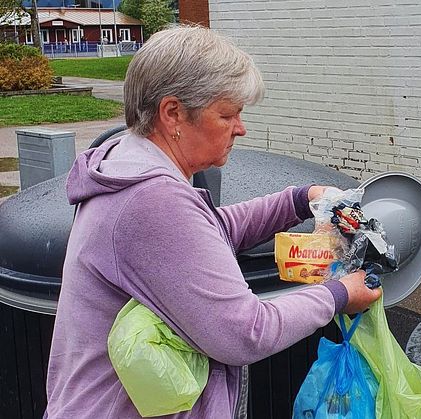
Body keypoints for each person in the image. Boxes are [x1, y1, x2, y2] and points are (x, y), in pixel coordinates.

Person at [45, 25, 381, 418]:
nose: (240, 127)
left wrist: (298, 201)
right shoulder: (152, 200)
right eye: (226, 114)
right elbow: (245, 332)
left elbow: (206, 231)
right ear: (173, 113)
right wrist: (340, 294)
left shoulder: (127, 161)